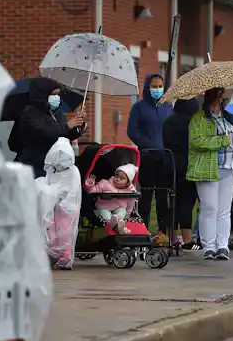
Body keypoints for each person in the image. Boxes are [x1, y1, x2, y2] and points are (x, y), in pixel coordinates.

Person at [187, 87, 233, 261]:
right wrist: (221, 140)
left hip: (229, 167)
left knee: (224, 209)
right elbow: (196, 141)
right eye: (218, 97)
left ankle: (222, 245)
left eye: (222, 97)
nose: (220, 100)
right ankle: (209, 246)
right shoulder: (199, 118)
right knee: (209, 207)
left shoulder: (228, 118)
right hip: (207, 168)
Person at [127, 73, 173, 245]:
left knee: (163, 198)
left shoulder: (167, 107)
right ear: (147, 87)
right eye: (154, 86)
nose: (157, 89)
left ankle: (162, 233)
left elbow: (171, 129)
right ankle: (142, 232)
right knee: (146, 196)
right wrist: (146, 144)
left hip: (165, 157)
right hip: (147, 157)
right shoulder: (139, 108)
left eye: (160, 86)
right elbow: (132, 130)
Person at [17, 77, 86, 178]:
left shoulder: (56, 113)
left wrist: (79, 124)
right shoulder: (30, 113)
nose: (57, 97)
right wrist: (68, 125)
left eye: (58, 94)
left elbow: (65, 136)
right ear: (43, 94)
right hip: (36, 167)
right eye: (53, 94)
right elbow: (46, 133)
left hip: (54, 167)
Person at [35, 138, 82, 270]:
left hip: (67, 209)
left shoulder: (72, 172)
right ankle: (51, 254)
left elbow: (73, 192)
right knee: (52, 231)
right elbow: (51, 186)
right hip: (54, 207)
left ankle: (65, 257)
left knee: (65, 233)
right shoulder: (53, 171)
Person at [163, 98, 200, 250]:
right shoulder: (191, 124)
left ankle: (172, 237)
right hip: (188, 166)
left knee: (173, 202)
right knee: (187, 203)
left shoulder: (168, 122)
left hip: (169, 166)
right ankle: (187, 238)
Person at [84, 164, 138, 234]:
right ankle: (115, 225)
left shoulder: (130, 191)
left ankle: (118, 223)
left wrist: (127, 217)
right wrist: (90, 184)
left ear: (128, 183)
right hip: (104, 207)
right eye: (116, 176)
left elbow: (130, 205)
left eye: (121, 178)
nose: (117, 179)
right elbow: (92, 190)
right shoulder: (105, 184)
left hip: (119, 208)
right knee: (105, 213)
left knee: (122, 211)